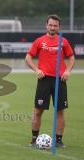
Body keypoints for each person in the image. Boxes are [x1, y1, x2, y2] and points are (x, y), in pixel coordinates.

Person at [25, 14, 75, 148]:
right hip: (44, 79)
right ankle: (34, 139)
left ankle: (58, 140)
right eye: (50, 25)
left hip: (60, 80)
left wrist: (67, 71)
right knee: (37, 111)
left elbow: (71, 58)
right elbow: (28, 58)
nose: (53, 27)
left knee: (60, 111)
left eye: (55, 25)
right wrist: (36, 70)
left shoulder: (63, 41)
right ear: (46, 25)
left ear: (59, 27)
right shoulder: (39, 41)